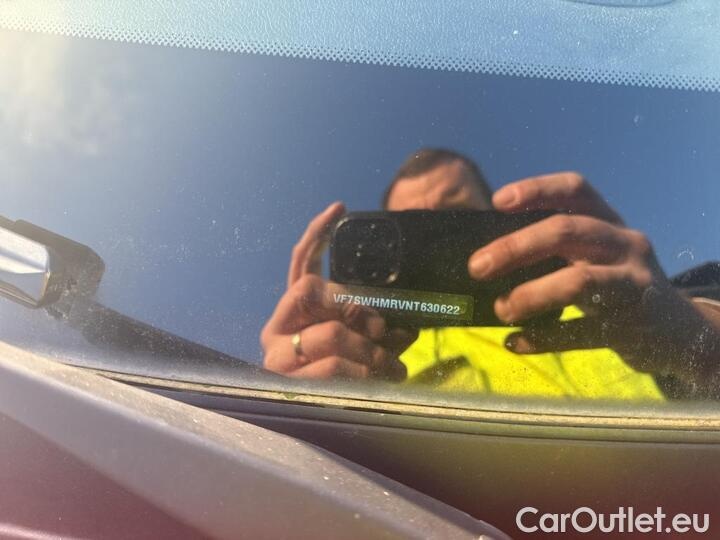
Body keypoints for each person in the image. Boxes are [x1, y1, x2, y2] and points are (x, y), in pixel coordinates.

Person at [261, 149, 720, 399]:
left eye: (454, 218)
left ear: (496, 217)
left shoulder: (599, 302)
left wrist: (698, 342)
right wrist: (300, 392)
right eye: (414, 228)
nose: (436, 242)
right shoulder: (367, 352)